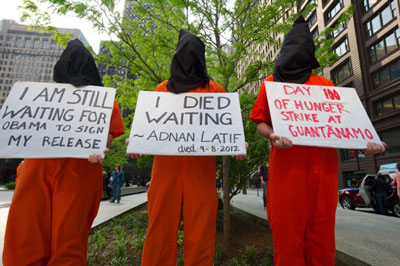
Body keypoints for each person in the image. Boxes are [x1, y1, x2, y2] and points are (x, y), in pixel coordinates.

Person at [250, 16, 385, 266]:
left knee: (322, 237)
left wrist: (365, 141)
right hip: (287, 173)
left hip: (323, 173)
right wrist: (271, 135)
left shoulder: (325, 85)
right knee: (287, 238)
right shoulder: (270, 84)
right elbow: (260, 121)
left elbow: (344, 124)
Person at [128, 30, 246, 266]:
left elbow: (224, 129)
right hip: (165, 172)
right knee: (159, 228)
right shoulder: (161, 90)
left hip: (201, 173)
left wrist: (236, 142)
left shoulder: (216, 91)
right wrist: (137, 139)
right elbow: (150, 126)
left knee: (201, 230)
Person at [2, 39, 125, 266]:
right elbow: (104, 144)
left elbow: (101, 145)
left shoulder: (42, 96)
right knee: (66, 240)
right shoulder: (104, 101)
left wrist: (99, 150)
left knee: (29, 234)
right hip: (77, 173)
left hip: (42, 169)